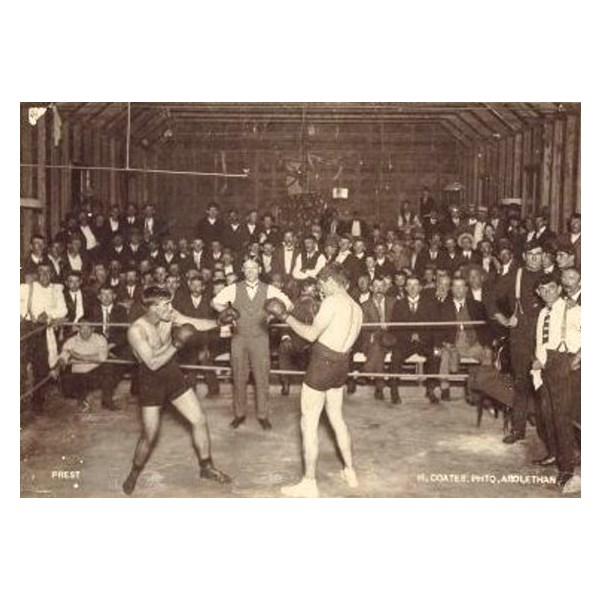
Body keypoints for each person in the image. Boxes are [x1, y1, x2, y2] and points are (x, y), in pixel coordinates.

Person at [264, 262, 363, 498]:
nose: (320, 290)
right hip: (341, 364)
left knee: (308, 423)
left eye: (321, 284)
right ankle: (350, 472)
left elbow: (310, 334)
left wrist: (286, 316)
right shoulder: (356, 307)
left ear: (330, 282)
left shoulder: (331, 302)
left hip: (322, 364)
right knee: (337, 419)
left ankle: (309, 482)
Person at [122, 286, 231, 495]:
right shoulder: (136, 330)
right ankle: (134, 472)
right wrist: (177, 344)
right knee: (149, 435)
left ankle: (206, 467)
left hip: (172, 374)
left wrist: (218, 322)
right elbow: (152, 363)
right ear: (151, 307)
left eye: (169, 304)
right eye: (164, 305)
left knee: (199, 419)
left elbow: (194, 323)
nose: (170, 308)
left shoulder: (169, 315)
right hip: (150, 380)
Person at [212, 258, 293, 430]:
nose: (250, 272)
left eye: (253, 268)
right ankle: (239, 414)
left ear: (259, 269)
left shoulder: (269, 289)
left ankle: (263, 415)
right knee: (239, 376)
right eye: (247, 268)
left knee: (262, 377)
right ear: (242, 269)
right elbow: (215, 302)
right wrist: (228, 313)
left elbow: (289, 304)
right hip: (239, 338)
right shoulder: (234, 288)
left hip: (260, 338)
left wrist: (272, 316)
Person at [488, 240, 544, 443]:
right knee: (521, 384)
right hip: (520, 336)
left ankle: (548, 434)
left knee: (547, 386)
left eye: (539, 254)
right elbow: (491, 299)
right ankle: (518, 429)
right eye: (531, 254)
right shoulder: (514, 276)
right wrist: (503, 319)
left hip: (547, 337)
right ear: (525, 256)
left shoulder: (551, 276)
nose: (535, 258)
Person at [531, 275, 581, 490]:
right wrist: (538, 363)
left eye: (552, 288)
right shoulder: (543, 313)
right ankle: (557, 457)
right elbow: (541, 341)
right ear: (538, 293)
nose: (548, 292)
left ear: (559, 288)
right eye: (543, 289)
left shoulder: (572, 308)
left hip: (563, 362)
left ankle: (567, 469)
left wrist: (580, 355)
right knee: (548, 415)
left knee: (562, 418)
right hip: (546, 365)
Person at [50, 319, 118, 412]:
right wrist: (56, 369)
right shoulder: (72, 341)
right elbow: (63, 357)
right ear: (78, 329)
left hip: (95, 373)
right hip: (79, 374)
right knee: (67, 384)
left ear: (93, 329)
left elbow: (102, 358)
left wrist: (78, 356)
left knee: (108, 367)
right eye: (82, 328)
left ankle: (106, 400)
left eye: (88, 328)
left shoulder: (100, 339)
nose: (85, 331)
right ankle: (84, 398)